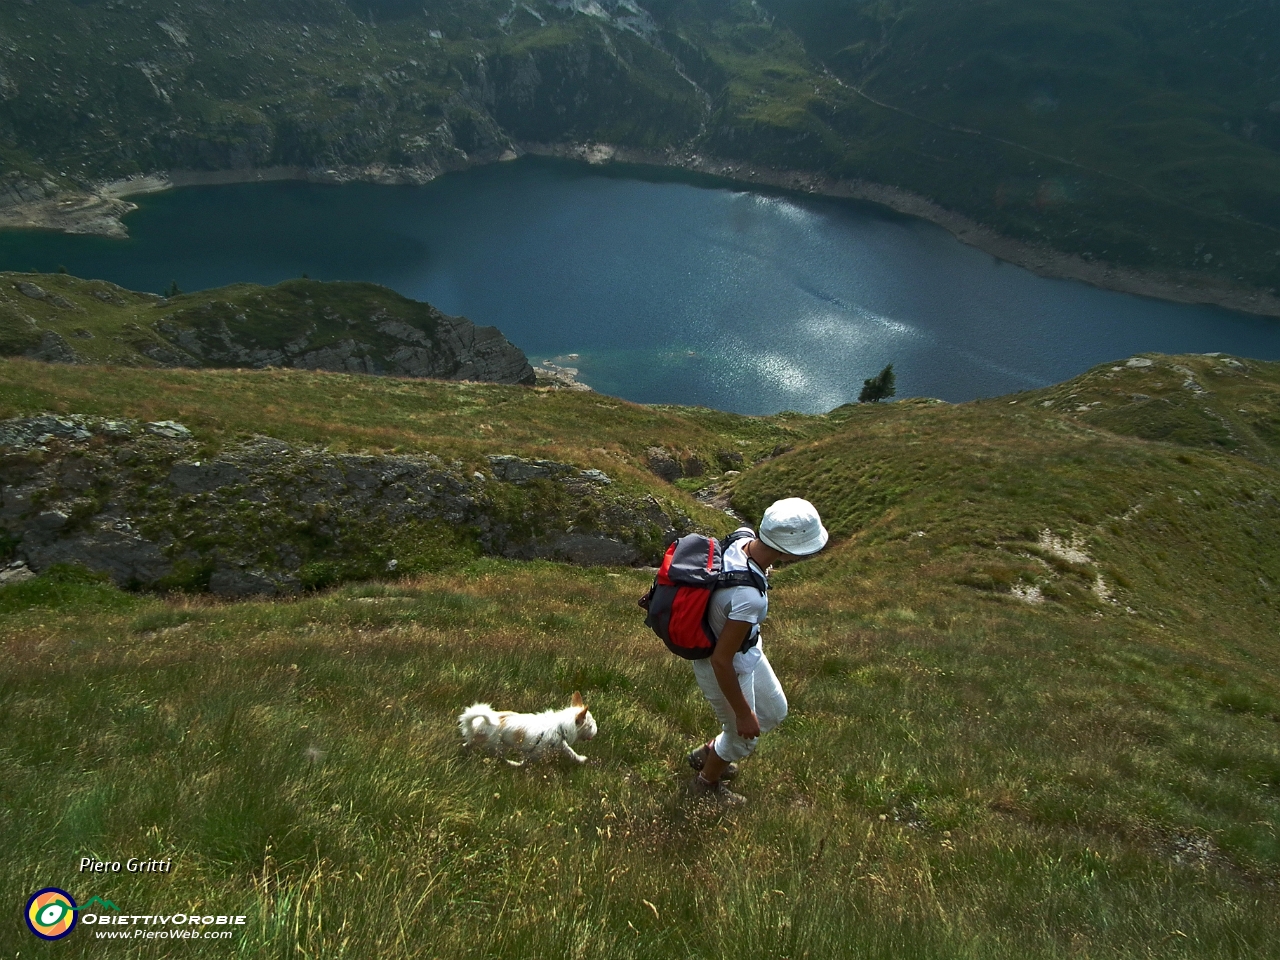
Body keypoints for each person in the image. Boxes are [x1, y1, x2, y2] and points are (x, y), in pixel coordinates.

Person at [686, 497, 828, 805]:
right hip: (724, 666)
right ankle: (705, 784)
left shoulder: (742, 538)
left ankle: (713, 752)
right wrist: (742, 714)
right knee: (743, 737)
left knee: (775, 711)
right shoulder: (750, 598)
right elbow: (722, 660)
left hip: (745, 652)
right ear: (789, 549)